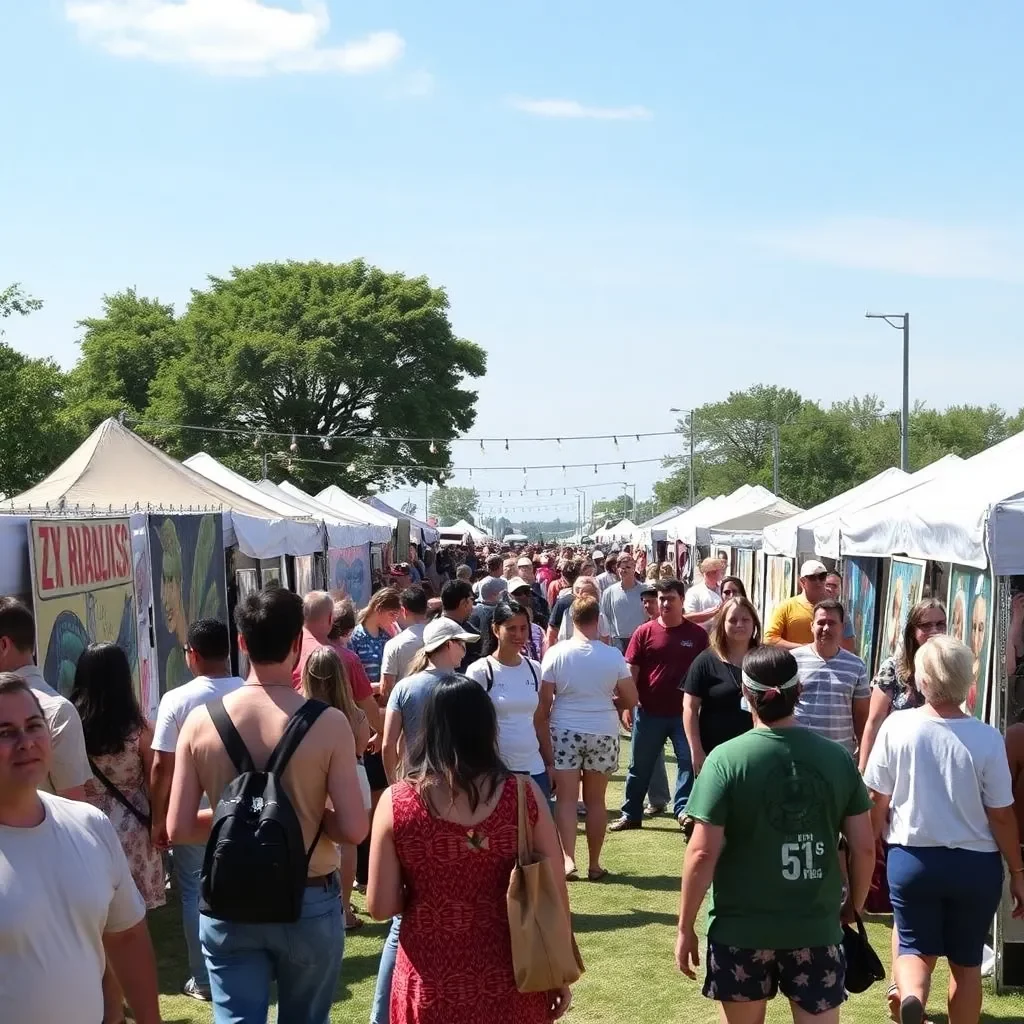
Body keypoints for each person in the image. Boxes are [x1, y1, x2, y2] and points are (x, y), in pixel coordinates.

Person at [168, 586, 369, 1024]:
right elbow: (354, 829)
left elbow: (179, 827)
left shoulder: (200, 721)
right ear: (298, 642)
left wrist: (237, 817)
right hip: (308, 896)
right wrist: (299, 819)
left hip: (229, 897)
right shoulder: (329, 723)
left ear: (242, 642)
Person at [675, 647, 876, 1024]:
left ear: (745, 694)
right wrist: (855, 906)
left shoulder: (724, 759)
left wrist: (685, 927)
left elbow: (702, 853)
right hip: (816, 928)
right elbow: (864, 847)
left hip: (740, 931)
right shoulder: (836, 758)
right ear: (799, 690)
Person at [368, 675, 572, 1024]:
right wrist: (560, 971)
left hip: (431, 982)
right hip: (515, 978)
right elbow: (555, 889)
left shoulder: (397, 802)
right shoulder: (524, 795)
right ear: (488, 726)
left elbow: (380, 906)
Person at [864, 636, 1024, 1024]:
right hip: (975, 865)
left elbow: (875, 800)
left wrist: (871, 848)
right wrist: (1018, 871)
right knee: (966, 964)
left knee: (913, 950)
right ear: (966, 680)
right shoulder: (987, 737)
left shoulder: (896, 727)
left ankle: (913, 997)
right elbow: (1002, 814)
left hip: (912, 857)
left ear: (921, 680)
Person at [0, 673, 161, 1023]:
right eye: (5, 733)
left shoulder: (90, 825)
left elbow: (126, 937)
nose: (26, 742)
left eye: (33, 725)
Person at [373, 616, 479, 1024]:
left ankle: (382, 1014)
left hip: (413, 798)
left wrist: (395, 788)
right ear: (447, 645)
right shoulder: (465, 688)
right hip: (462, 799)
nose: (465, 650)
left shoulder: (405, 686)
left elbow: (387, 744)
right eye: (460, 643)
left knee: (406, 914)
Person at [150, 618, 245, 1002]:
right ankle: (245, 966)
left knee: (193, 890)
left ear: (193, 654)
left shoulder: (177, 699)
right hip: (246, 804)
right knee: (240, 883)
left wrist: (160, 817)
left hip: (193, 808)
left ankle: (204, 979)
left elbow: (161, 765)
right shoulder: (248, 691)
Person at [72, 642, 165, 1022]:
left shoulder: (71, 726)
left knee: (95, 922)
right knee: (129, 923)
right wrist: (158, 820)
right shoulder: (136, 728)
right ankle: (118, 1003)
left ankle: (108, 1003)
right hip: (132, 830)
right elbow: (157, 774)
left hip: (87, 824)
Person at [540, 596, 637, 880]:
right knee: (596, 801)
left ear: (571, 619)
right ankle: (595, 864)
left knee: (567, 801)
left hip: (565, 729)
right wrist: (611, 704)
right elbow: (631, 698)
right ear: (599, 619)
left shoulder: (556, 653)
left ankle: (568, 860)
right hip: (604, 730)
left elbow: (544, 703)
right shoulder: (612, 656)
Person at [610, 580, 708, 832]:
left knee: (688, 762)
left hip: (684, 715)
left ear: (682, 601)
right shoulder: (644, 632)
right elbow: (631, 671)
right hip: (648, 711)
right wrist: (626, 705)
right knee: (639, 766)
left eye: (670, 598)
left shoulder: (697, 635)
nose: (664, 603)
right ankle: (631, 813)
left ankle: (684, 811)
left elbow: (707, 672)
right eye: (661, 598)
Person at [301, 645, 373, 933]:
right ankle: (343, 910)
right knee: (349, 845)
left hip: (314, 777)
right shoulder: (355, 715)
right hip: (354, 777)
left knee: (314, 840)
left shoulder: (299, 713)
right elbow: (360, 749)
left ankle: (324, 905)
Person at [0, 595, 90, 799]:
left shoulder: (58, 711)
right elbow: (74, 802)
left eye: (33, 726)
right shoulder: (59, 711)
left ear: (4, 645)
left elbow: (71, 806)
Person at [464, 601, 554, 798]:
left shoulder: (534, 669)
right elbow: (470, 727)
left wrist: (550, 763)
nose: (519, 635)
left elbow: (540, 720)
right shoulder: (480, 671)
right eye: (511, 628)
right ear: (496, 629)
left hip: (534, 769)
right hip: (495, 771)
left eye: (523, 628)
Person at [859, 599, 946, 772]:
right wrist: (863, 770)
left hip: (937, 763)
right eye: (926, 625)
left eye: (940, 624)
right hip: (896, 763)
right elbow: (874, 722)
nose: (935, 630)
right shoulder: (892, 668)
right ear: (913, 631)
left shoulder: (950, 668)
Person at [681, 596, 758, 777]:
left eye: (745, 619)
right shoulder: (706, 660)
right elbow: (690, 707)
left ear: (754, 622)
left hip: (755, 753)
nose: (740, 624)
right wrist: (696, 750)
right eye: (732, 620)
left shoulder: (764, 659)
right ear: (722, 624)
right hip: (714, 752)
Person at [791, 599, 870, 757]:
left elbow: (861, 715)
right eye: (821, 622)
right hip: (799, 752)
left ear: (842, 627)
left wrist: (863, 754)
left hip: (839, 754)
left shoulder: (856, 665)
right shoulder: (792, 660)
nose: (826, 628)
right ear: (811, 626)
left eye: (832, 623)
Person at [764, 559, 830, 649]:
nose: (818, 582)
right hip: (794, 661)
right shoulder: (786, 607)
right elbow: (769, 639)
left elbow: (846, 641)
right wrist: (803, 649)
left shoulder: (834, 609)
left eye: (822, 576)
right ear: (802, 581)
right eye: (812, 578)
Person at [380, 586, 429, 696]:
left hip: (406, 708)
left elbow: (386, 689)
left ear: (403, 611)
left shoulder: (394, 645)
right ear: (426, 609)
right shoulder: (442, 638)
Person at [600, 551, 646, 653]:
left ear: (634, 568)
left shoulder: (645, 590)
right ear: (617, 569)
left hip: (641, 639)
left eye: (628, 567)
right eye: (622, 567)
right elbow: (604, 618)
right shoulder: (609, 592)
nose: (624, 570)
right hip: (618, 641)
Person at [550, 576, 612, 645]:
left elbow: (605, 637)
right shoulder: (565, 608)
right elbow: (552, 632)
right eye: (580, 593)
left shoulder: (599, 612)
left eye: (592, 593)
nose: (588, 598)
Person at [441, 579, 479, 672]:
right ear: (463, 603)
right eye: (471, 600)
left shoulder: (429, 627)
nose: (472, 605)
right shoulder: (469, 635)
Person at [469, 575, 508, 659]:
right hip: (486, 657)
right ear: (495, 594)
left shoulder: (472, 611)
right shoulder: (499, 613)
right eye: (502, 592)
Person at [683, 557, 725, 630]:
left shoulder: (724, 588)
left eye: (719, 571)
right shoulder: (694, 592)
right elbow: (689, 617)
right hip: (703, 635)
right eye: (714, 571)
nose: (718, 574)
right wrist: (711, 613)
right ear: (706, 573)